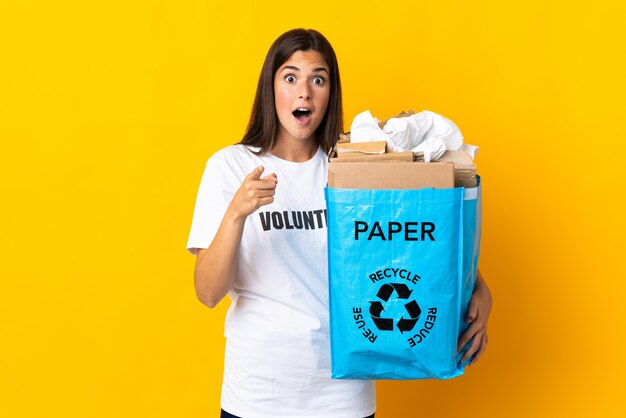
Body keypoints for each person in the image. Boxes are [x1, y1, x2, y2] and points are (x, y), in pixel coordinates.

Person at [187, 28, 492, 418]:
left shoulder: (352, 169)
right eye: (291, 77)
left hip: (342, 392)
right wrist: (235, 214)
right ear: (271, 87)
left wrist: (479, 288)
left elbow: (411, 236)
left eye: (318, 79)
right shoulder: (231, 166)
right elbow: (208, 293)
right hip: (258, 391)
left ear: (330, 93)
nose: (304, 92)